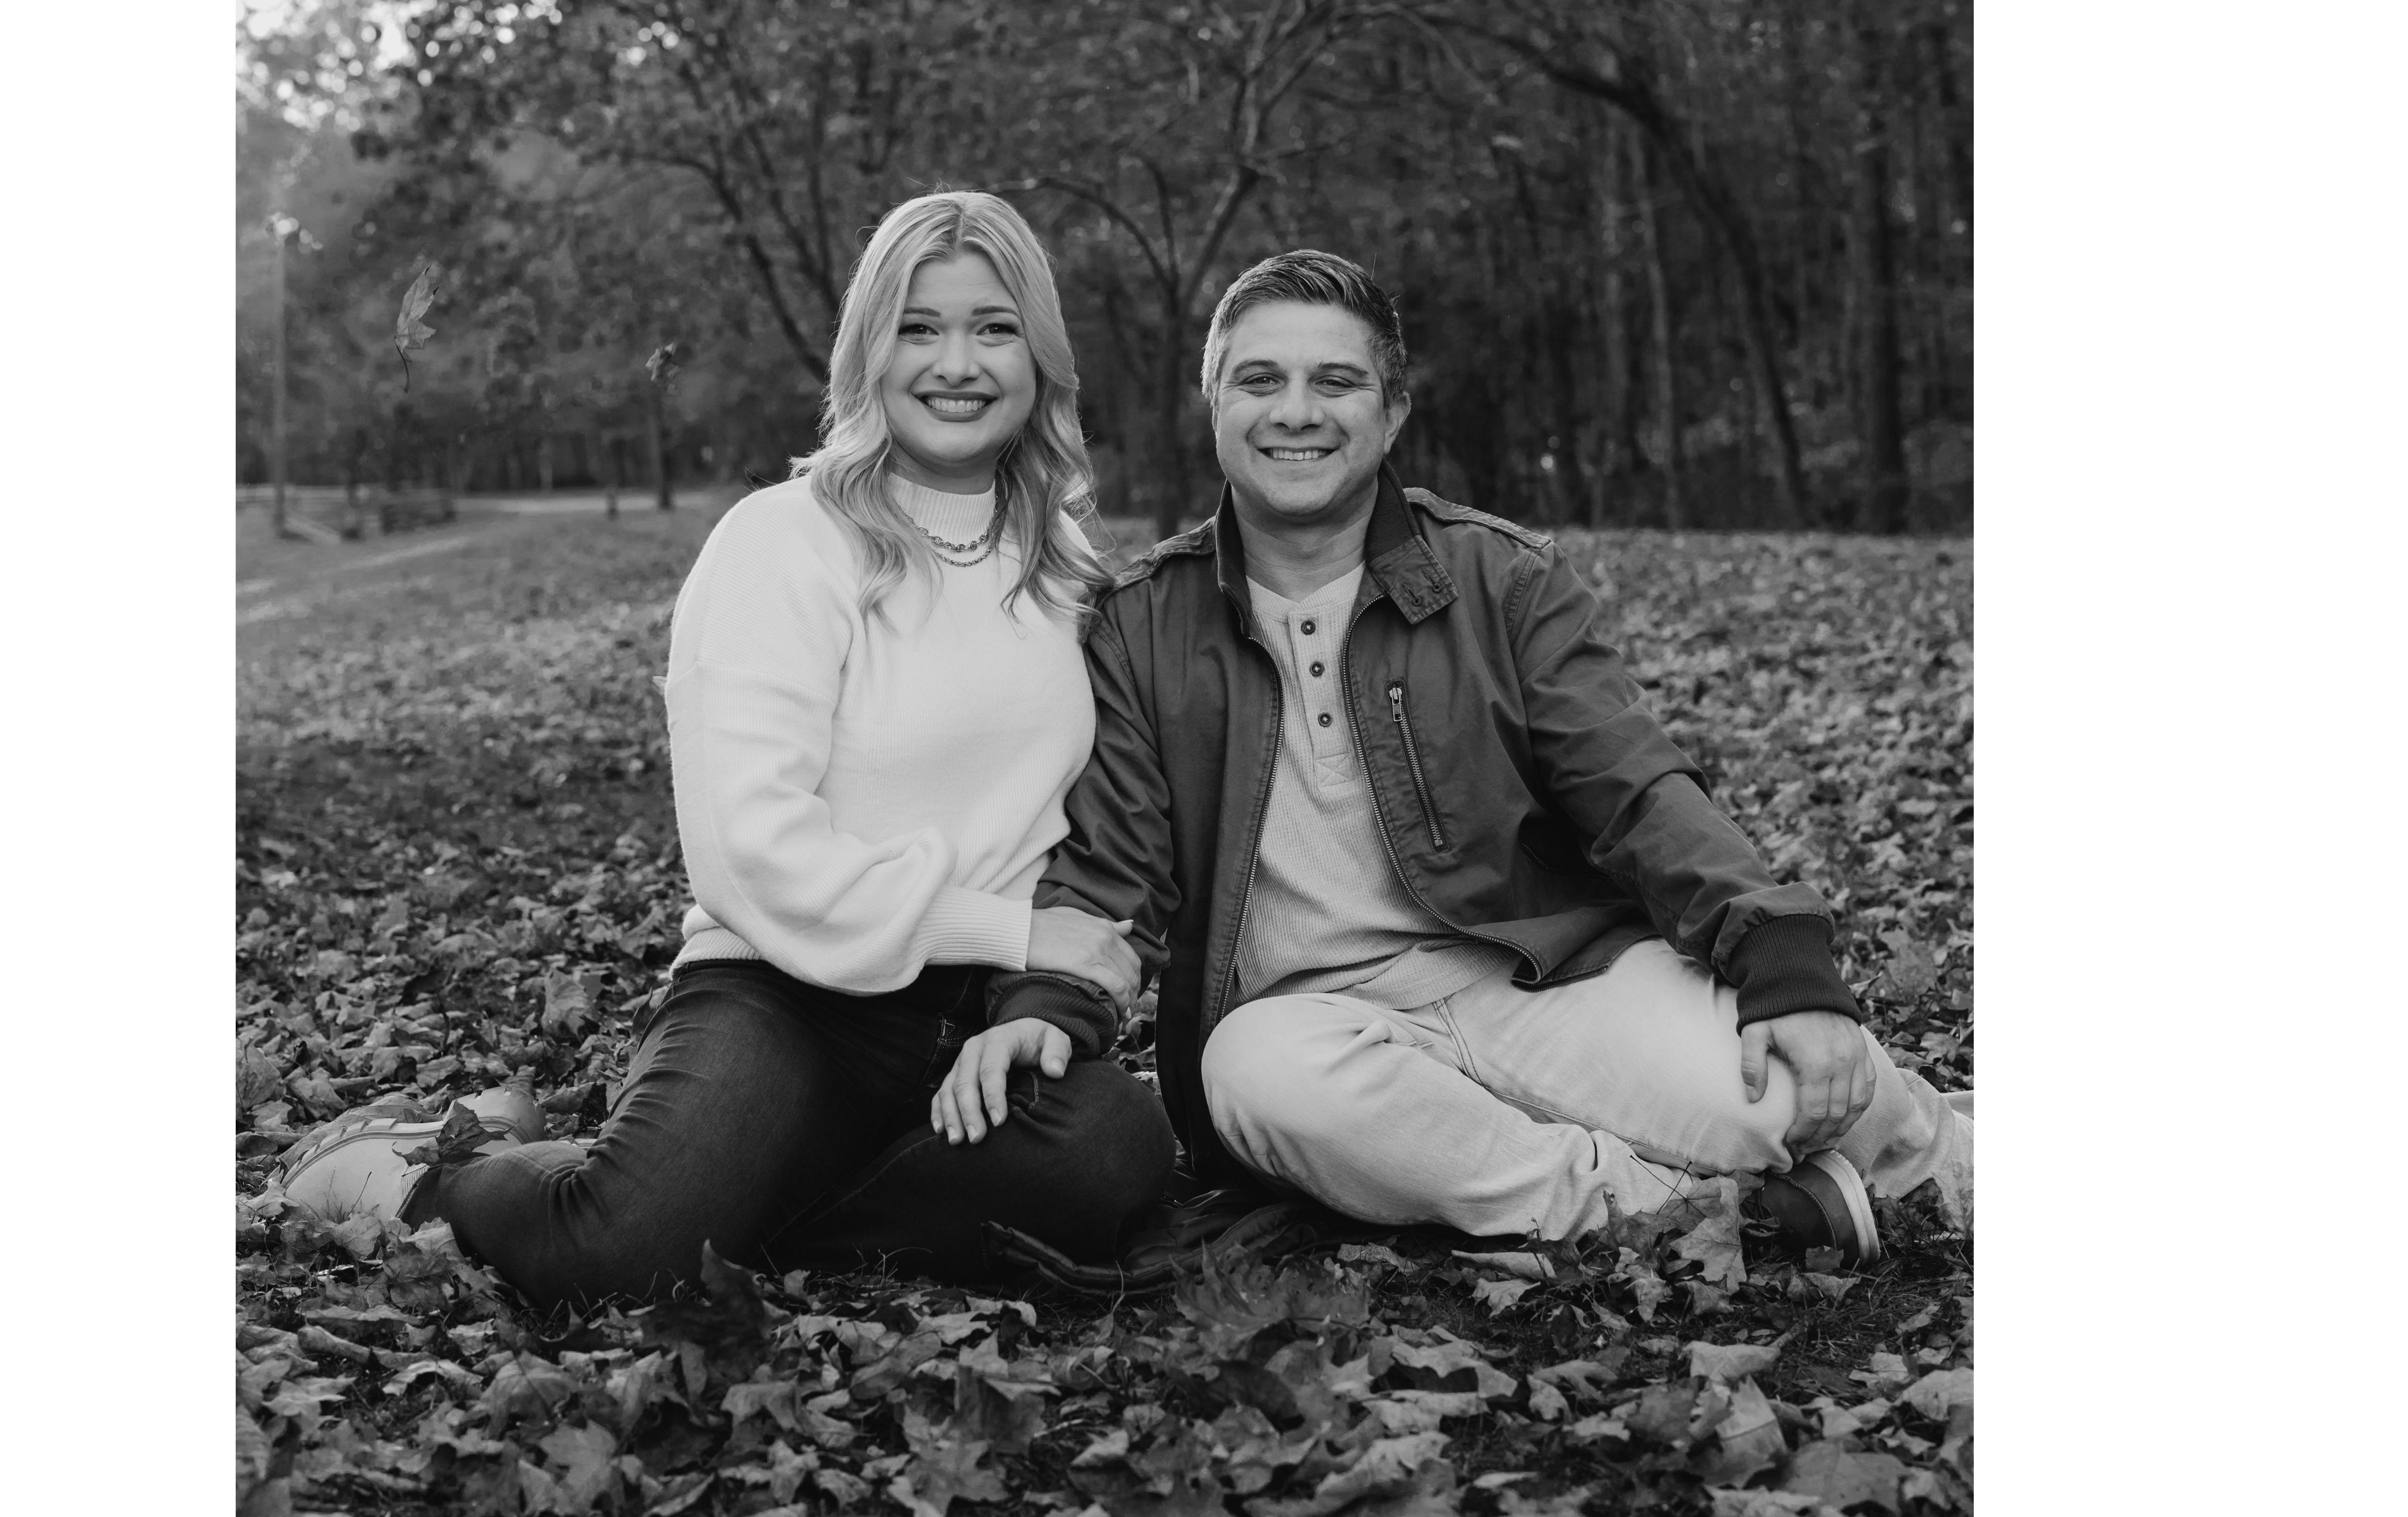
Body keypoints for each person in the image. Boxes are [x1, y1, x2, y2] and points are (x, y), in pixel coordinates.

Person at [931, 249, 1969, 1266]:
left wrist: (1782, 961)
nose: (1295, 411)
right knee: (1246, 1074)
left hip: (1541, 979)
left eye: (1335, 381)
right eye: (1259, 380)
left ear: (1391, 412)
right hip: (1316, 1029)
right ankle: (1676, 1213)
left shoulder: (1498, 578)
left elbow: (1638, 792)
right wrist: (1047, 1005)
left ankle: (1949, 1160)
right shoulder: (1140, 623)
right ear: (1214, 407)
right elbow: (1113, 869)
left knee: (1781, 1093)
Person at [274, 192, 1175, 1308]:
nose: (957, 363)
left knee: (1112, 1150)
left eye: (993, 327)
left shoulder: (1068, 565)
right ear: (868, 348)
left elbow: (1093, 825)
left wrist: (1038, 990)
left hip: (977, 1014)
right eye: (917, 327)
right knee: (620, 1255)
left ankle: (749, 1209)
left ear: (1037, 353)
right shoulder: (782, 541)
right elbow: (751, 852)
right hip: (786, 994)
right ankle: (431, 1169)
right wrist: (1012, 928)